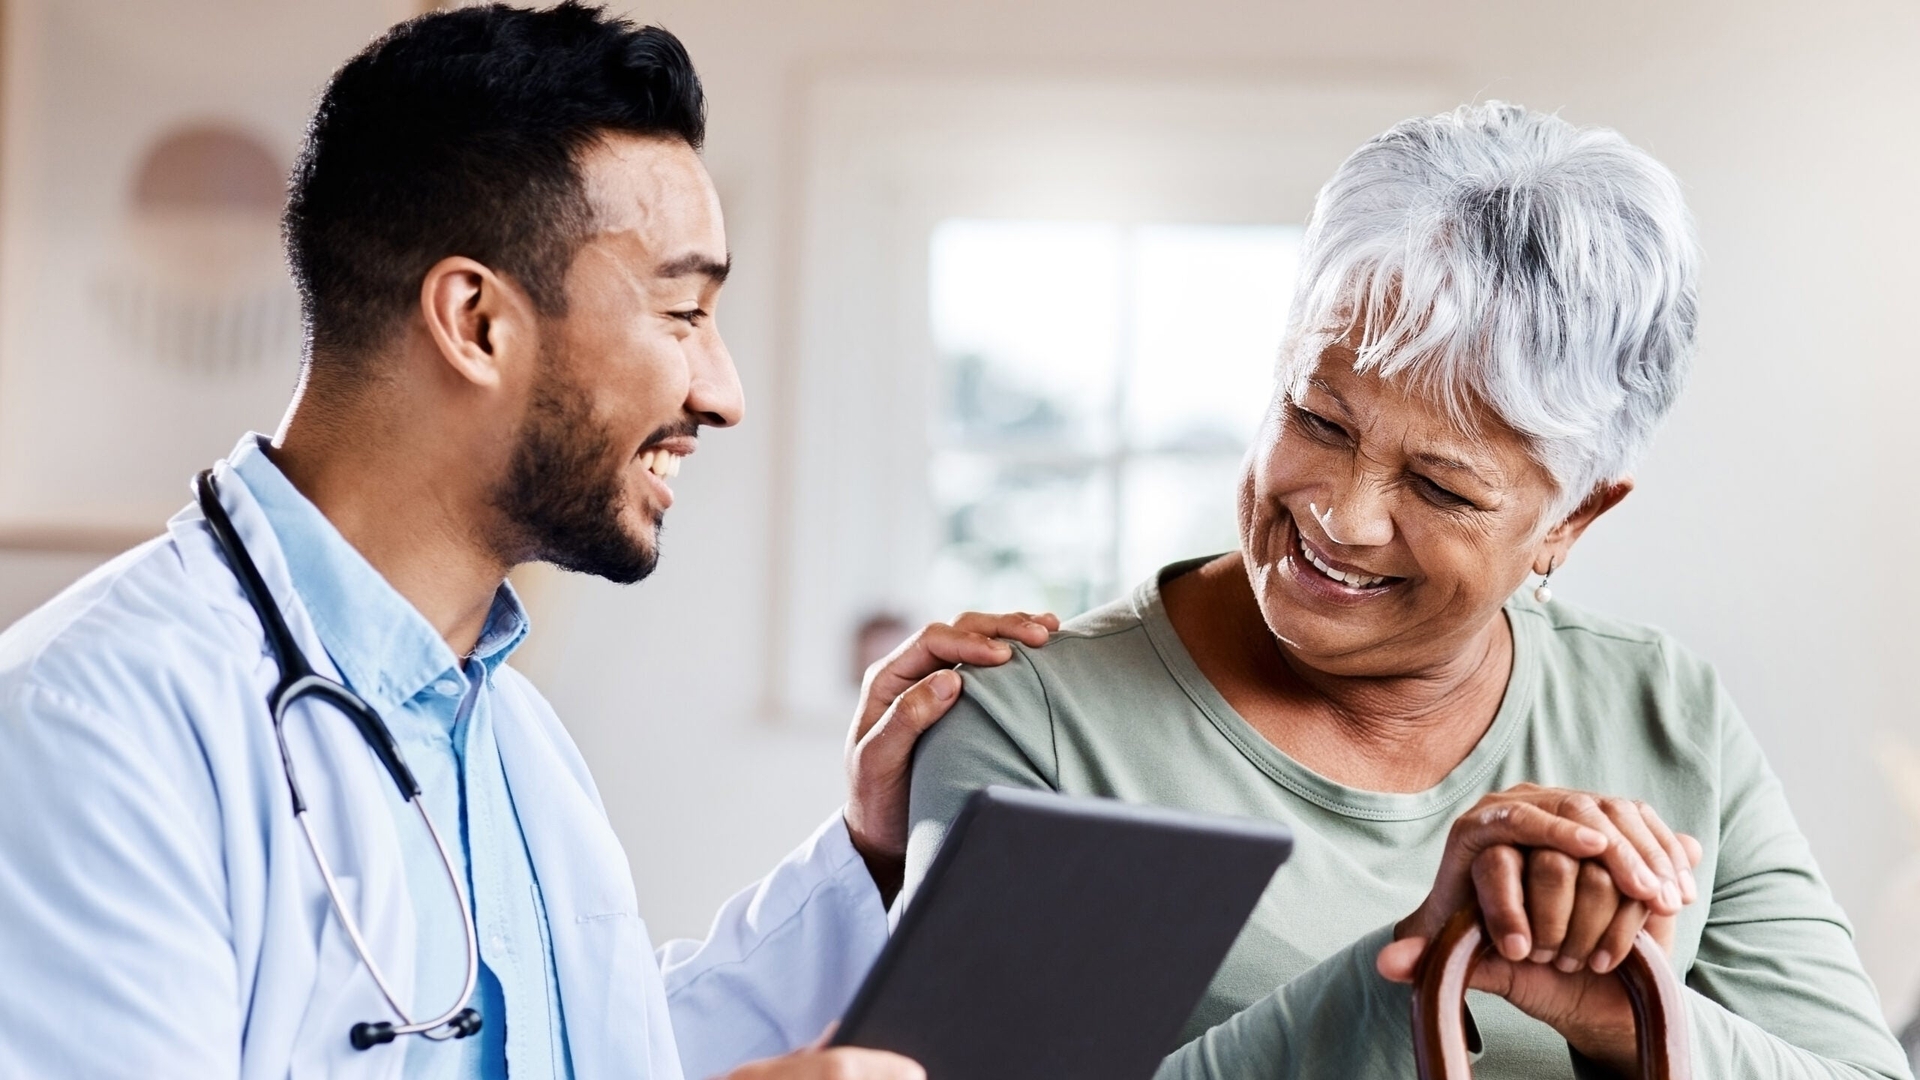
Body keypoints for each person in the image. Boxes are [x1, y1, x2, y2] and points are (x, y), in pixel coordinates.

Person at [0, 6, 1059, 1079]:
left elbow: (605, 1057)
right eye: (684, 312)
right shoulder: (88, 725)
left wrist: (868, 855)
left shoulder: (505, 730)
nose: (724, 394)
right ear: (478, 323)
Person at [903, 102, 1914, 1079]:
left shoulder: (1666, 711)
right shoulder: (1031, 719)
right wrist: (1419, 970)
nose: (1343, 514)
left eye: (1439, 486)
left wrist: (1617, 1007)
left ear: (1572, 520)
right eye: (1318, 418)